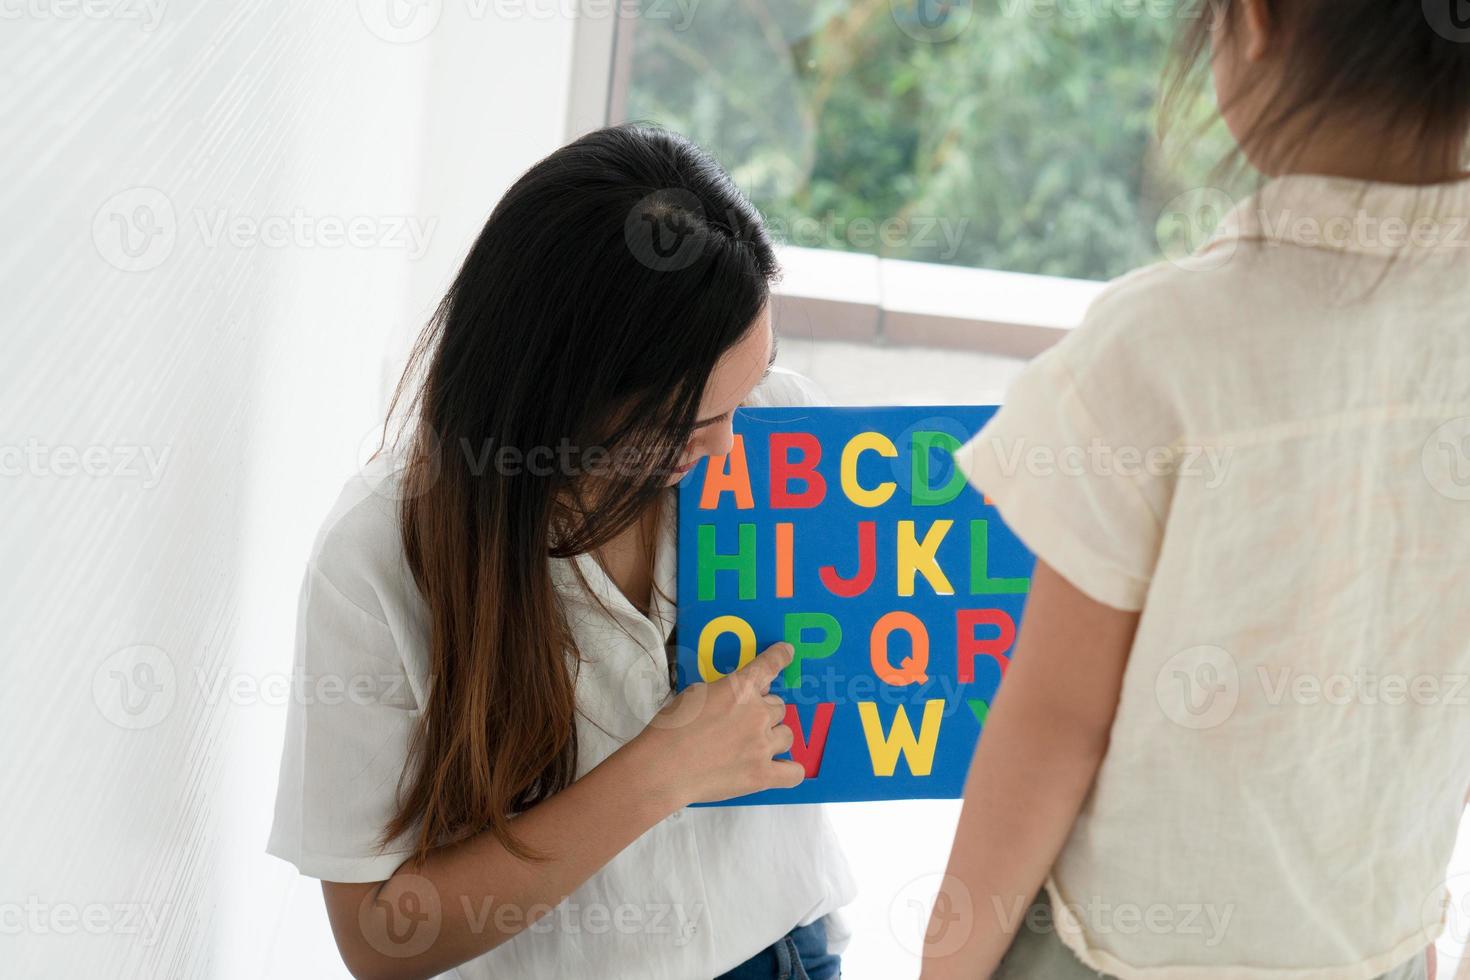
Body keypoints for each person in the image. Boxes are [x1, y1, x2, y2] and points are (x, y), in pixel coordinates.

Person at [923, 1, 1470, 978]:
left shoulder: (1163, 348)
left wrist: (943, 964)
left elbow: (1055, 723)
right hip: (1377, 947)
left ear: (1256, 21)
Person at [266, 124, 854, 980]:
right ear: (559, 397)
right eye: (689, 428)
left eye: (752, 385)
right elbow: (377, 936)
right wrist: (661, 772)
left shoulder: (778, 431)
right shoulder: (380, 553)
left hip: (780, 953)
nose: (734, 447)